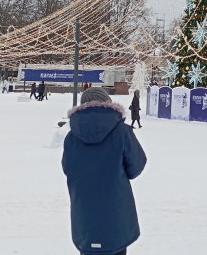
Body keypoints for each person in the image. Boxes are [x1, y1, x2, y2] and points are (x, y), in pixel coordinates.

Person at [62, 87, 147, 255]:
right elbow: (136, 166)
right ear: (108, 104)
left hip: (84, 210)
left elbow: (68, 168)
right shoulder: (122, 132)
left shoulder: (72, 137)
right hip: (116, 209)